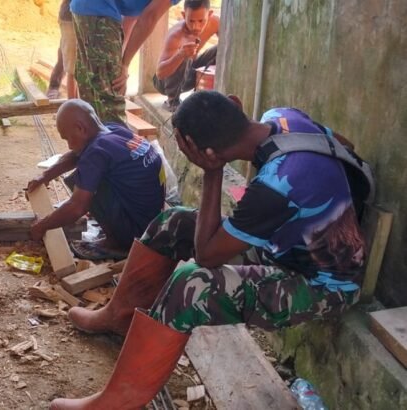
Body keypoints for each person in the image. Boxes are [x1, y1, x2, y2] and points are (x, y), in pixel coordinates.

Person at [51, 91, 369, 409]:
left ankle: (120, 400)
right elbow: (345, 145)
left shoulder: (276, 186)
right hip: (286, 248)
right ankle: (118, 316)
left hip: (323, 286)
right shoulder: (284, 117)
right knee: (172, 222)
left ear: (207, 153)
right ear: (235, 105)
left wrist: (212, 172)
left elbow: (207, 257)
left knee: (191, 285)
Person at [27, 99, 166, 260]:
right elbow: (77, 155)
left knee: (85, 181)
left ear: (80, 128)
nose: (69, 146)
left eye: (67, 138)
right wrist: (45, 175)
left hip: (137, 233)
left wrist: (42, 226)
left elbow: (77, 208)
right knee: (88, 173)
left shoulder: (96, 152)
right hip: (153, 224)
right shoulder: (114, 131)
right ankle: (119, 234)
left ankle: (116, 243)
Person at [70, 0, 181, 123]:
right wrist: (124, 64)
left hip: (84, 8)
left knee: (90, 95)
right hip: (100, 12)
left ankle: (90, 133)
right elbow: (149, 18)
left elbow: (130, 18)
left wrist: (121, 62)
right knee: (111, 99)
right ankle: (113, 134)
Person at [154, 0, 220, 112]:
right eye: (191, 21)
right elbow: (159, 74)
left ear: (209, 14)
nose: (196, 27)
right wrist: (180, 54)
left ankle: (210, 94)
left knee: (221, 49)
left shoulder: (215, 23)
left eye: (201, 21)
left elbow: (229, 46)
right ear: (184, 15)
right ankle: (172, 101)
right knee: (185, 56)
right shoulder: (176, 35)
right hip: (164, 83)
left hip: (190, 75)